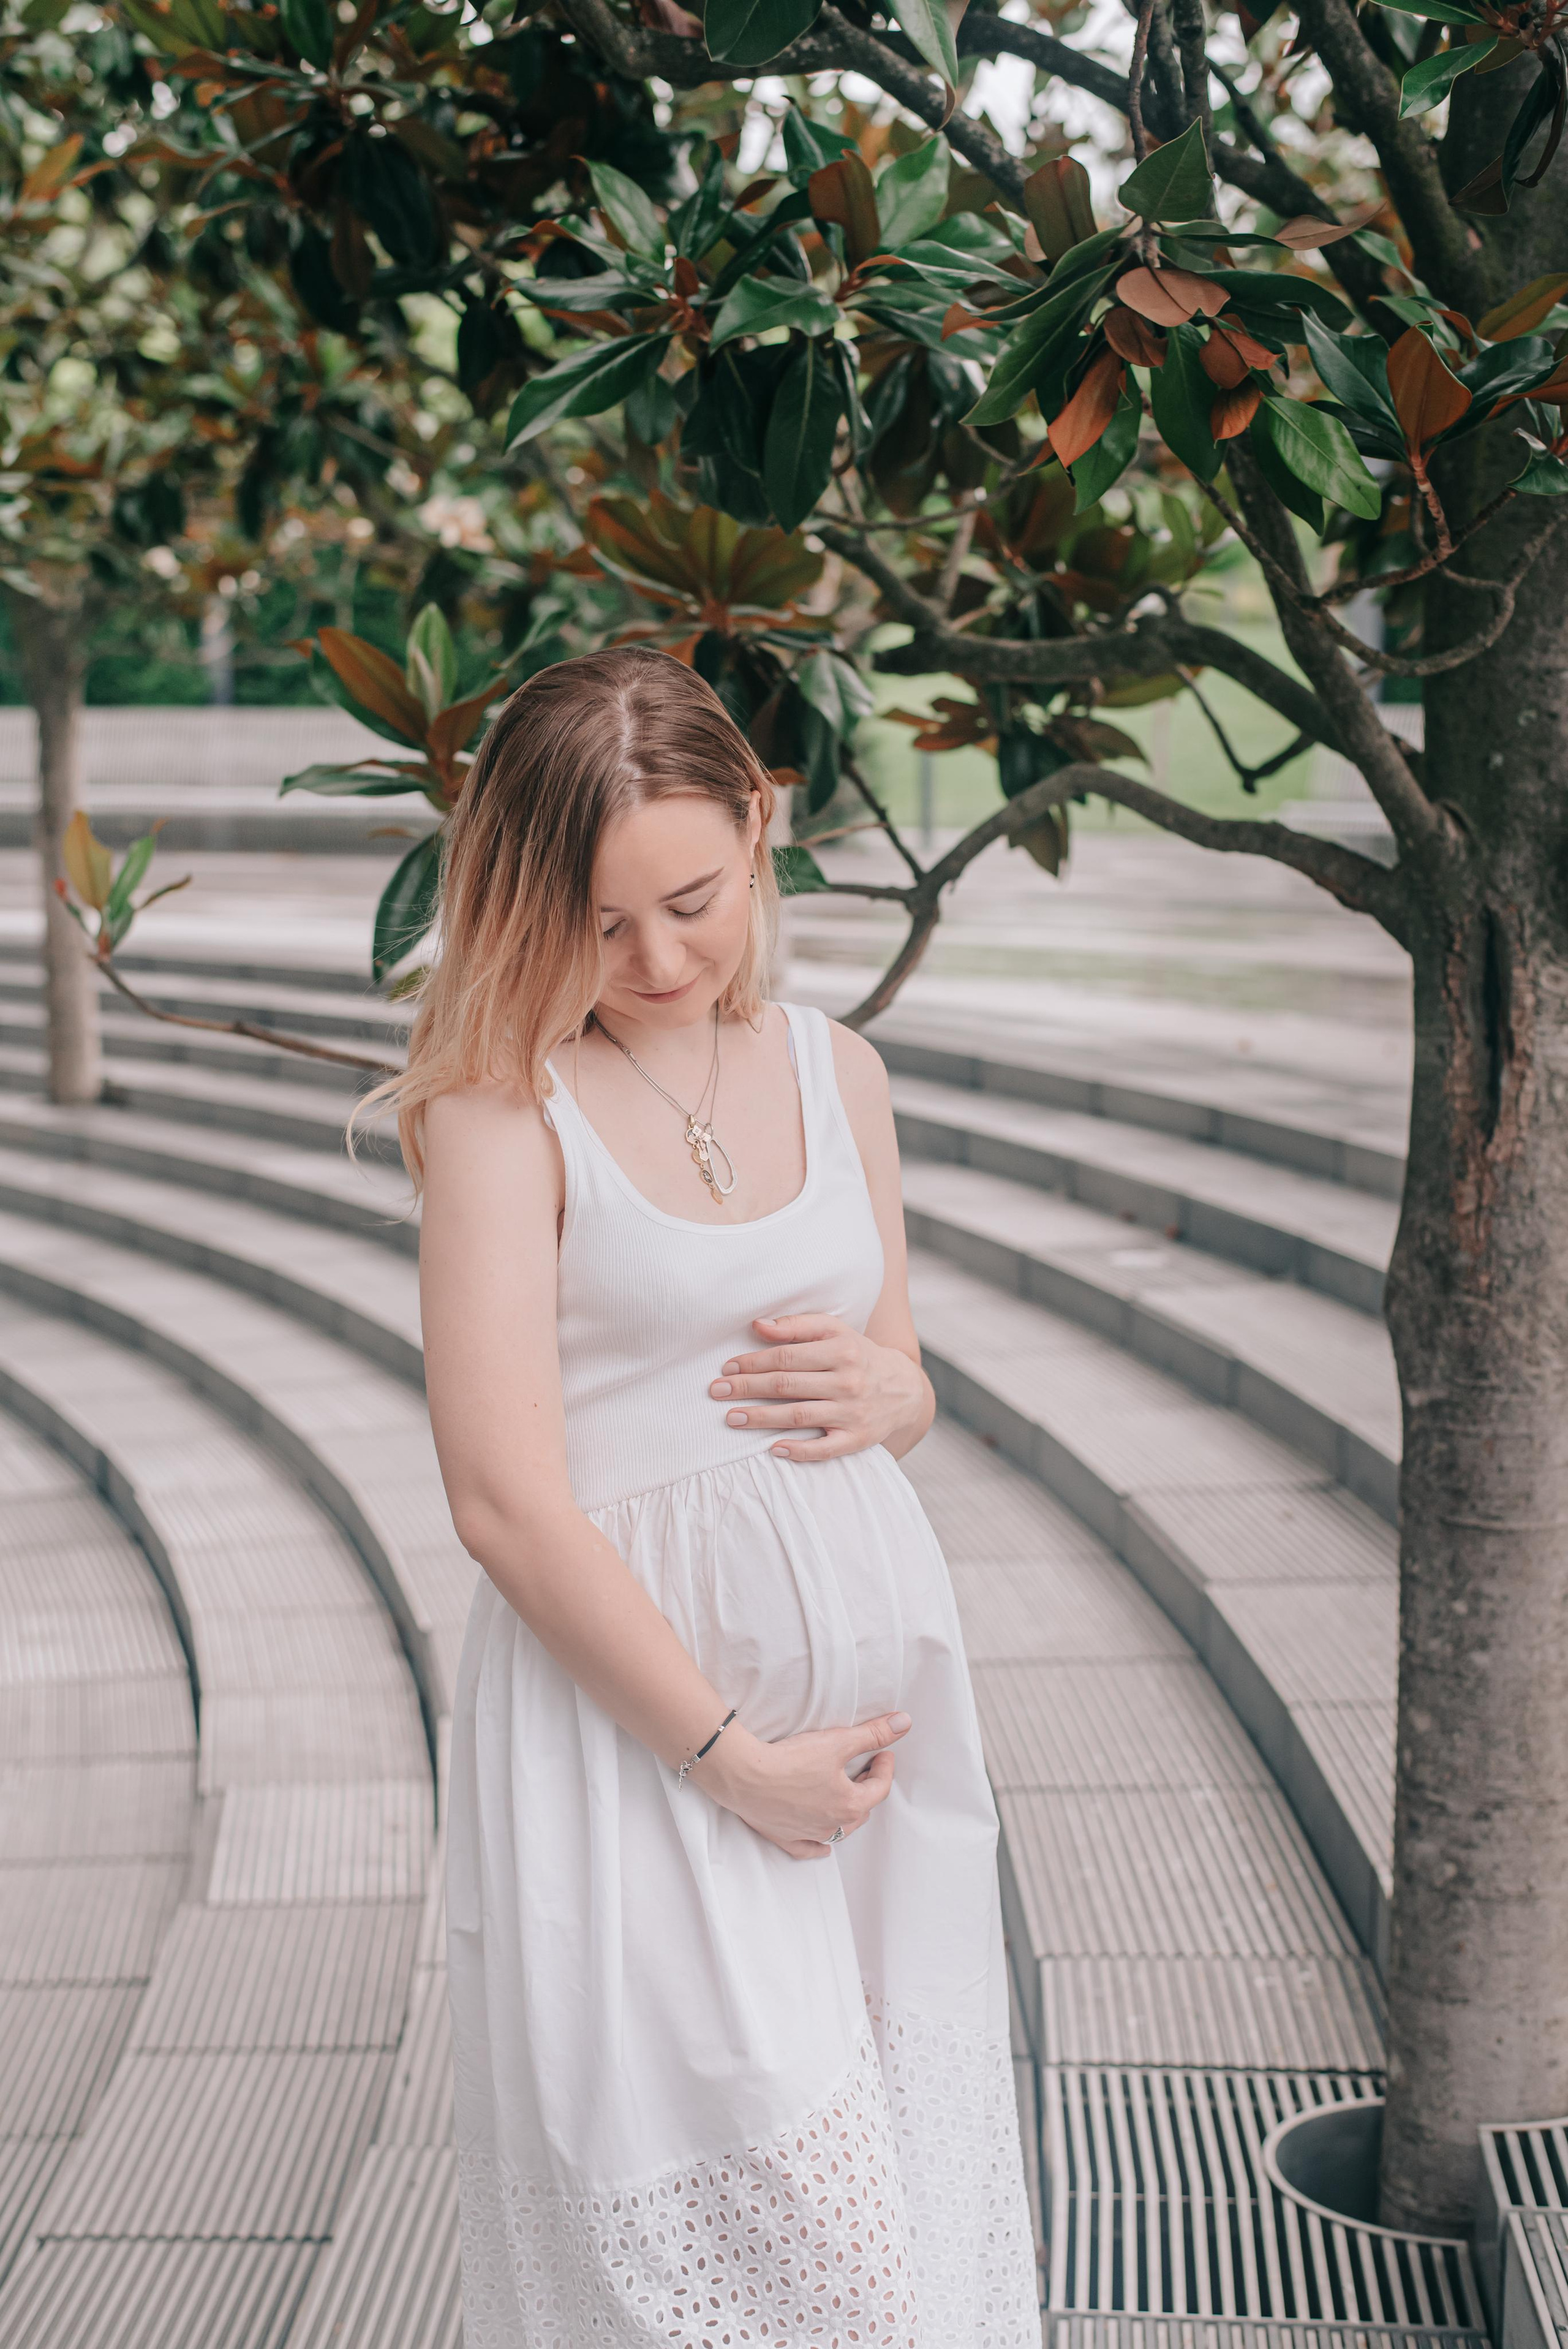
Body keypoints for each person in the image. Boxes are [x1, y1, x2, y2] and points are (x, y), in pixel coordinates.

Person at [390, 645, 1038, 2345]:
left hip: (879, 1766)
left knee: (913, 2225)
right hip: (648, 1756)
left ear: (762, 829)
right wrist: (728, 1756)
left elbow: (894, 1372)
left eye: (692, 898)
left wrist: (910, 1390)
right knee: (768, 2283)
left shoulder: (843, 1074)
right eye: (601, 924)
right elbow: (501, 1495)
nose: (658, 959)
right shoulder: (496, 1111)